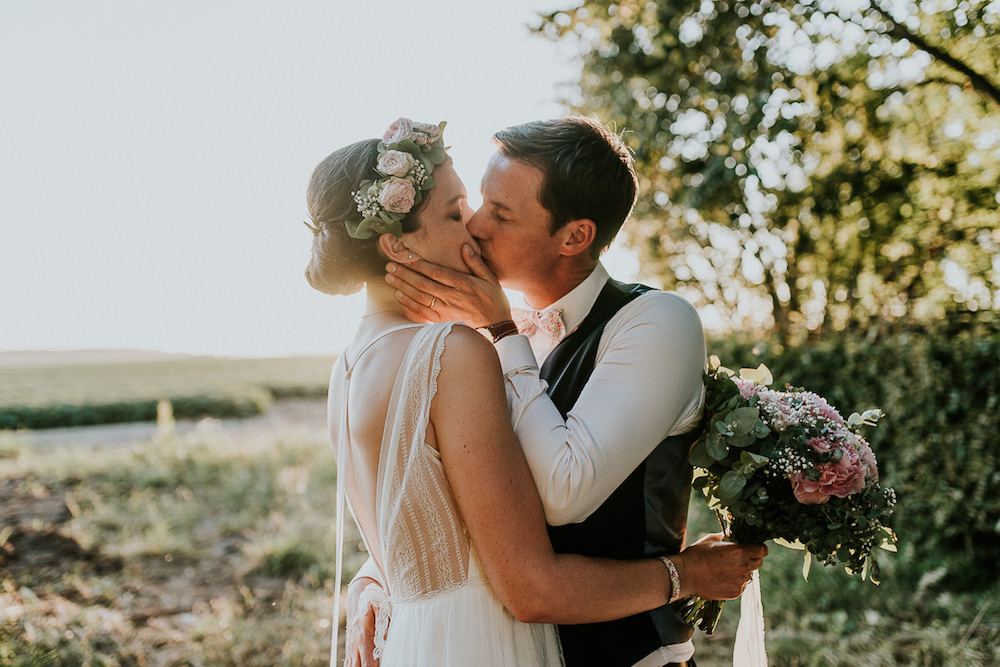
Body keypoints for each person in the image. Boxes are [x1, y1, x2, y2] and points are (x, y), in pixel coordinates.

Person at [305, 118, 765, 667]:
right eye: (467, 208)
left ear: (575, 236)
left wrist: (502, 334)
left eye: (498, 213)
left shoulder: (652, 323)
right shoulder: (464, 342)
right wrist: (379, 574)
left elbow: (563, 494)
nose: (474, 225)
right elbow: (434, 498)